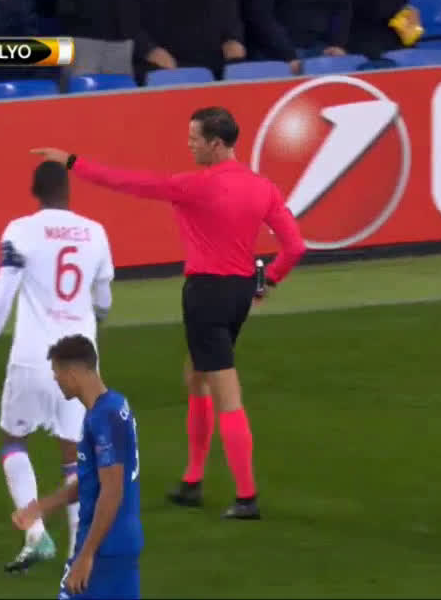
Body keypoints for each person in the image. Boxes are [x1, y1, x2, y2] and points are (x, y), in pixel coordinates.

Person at [31, 105, 307, 519]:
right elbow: (295, 246)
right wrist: (268, 280)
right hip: (237, 292)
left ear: (216, 144)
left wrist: (71, 161)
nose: (189, 145)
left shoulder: (195, 186)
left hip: (205, 294)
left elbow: (129, 182)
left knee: (225, 391)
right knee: (196, 375)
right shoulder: (262, 187)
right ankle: (192, 480)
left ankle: (246, 496)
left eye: (195, 139)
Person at [0, 160, 115, 573]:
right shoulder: (95, 231)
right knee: (74, 456)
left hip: (33, 357)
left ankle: (35, 534)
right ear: (67, 191)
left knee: (13, 440)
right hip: (81, 362)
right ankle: (78, 556)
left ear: (35, 192)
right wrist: (93, 321)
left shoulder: (21, 231)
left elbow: (3, 297)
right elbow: (104, 298)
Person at [11, 335, 142, 600]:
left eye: (57, 373)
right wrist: (41, 507)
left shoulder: (103, 418)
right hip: (122, 540)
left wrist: (86, 555)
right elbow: (94, 480)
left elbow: (112, 491)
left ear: (72, 374)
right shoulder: (115, 405)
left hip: (104, 547)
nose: (56, 380)